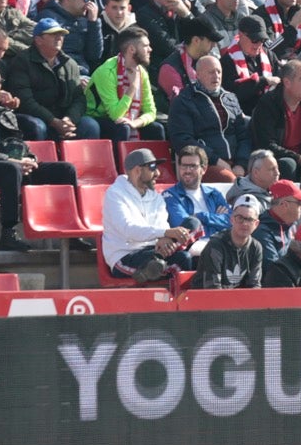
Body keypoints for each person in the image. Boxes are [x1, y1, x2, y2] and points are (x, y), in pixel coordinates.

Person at [0, 64, 79, 252]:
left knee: (66, 170)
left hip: (11, 166)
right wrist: (9, 160)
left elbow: (18, 143)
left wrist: (29, 159)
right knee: (10, 169)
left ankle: (72, 231)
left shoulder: (4, 113)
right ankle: (8, 233)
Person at [102, 147, 195, 283]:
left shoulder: (155, 196)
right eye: (152, 168)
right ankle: (152, 269)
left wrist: (164, 238)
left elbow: (162, 226)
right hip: (125, 256)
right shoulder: (115, 194)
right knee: (175, 262)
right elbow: (128, 229)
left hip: (153, 251)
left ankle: (152, 269)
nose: (157, 173)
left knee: (192, 227)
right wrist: (164, 233)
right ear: (137, 170)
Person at [85, 27, 162, 141]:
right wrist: (132, 87)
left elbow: (151, 111)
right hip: (96, 117)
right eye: (145, 46)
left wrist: (136, 123)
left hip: (126, 118)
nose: (150, 49)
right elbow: (116, 115)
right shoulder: (107, 72)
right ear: (132, 49)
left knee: (156, 129)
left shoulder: (141, 72)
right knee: (123, 128)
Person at [193, 195, 263, 289]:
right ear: (232, 219)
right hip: (205, 296)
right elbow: (212, 287)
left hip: (237, 297)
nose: (244, 223)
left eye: (250, 219)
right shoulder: (216, 245)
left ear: (256, 224)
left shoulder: (256, 247)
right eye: (240, 218)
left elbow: (254, 284)